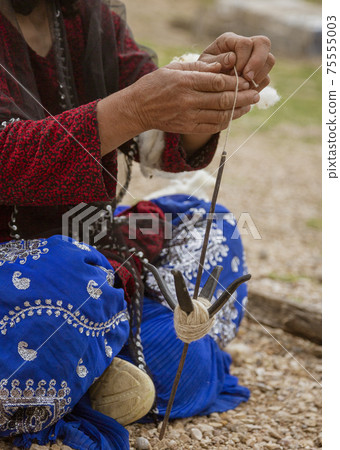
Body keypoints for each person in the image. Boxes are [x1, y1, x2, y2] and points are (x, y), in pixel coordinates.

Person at [0, 0, 275, 448]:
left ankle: (83, 365)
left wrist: (203, 88)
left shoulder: (90, 18)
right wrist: (132, 110)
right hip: (32, 272)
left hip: (89, 241)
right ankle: (89, 366)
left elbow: (157, 132)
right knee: (70, 275)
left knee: (205, 224)